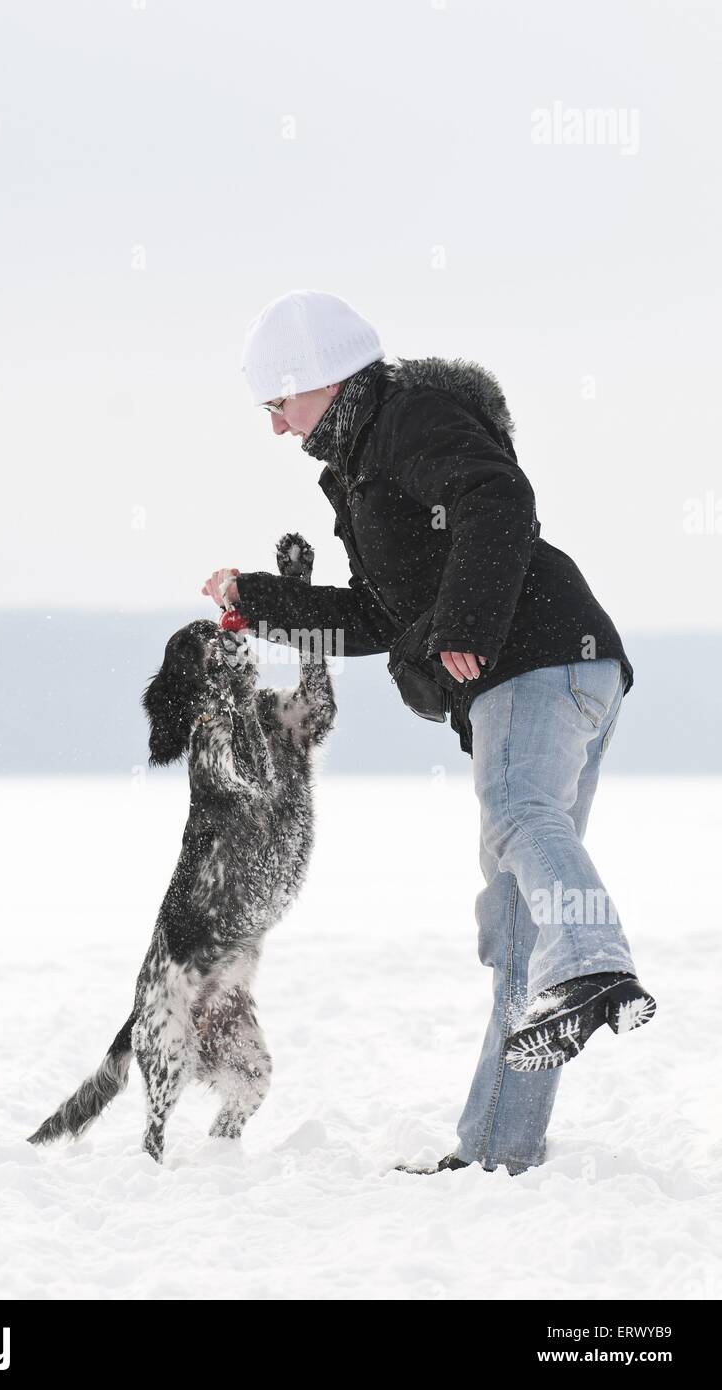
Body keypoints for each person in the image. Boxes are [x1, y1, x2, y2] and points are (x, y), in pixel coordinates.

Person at [201, 289, 656, 1177]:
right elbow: (376, 616)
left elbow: (498, 497)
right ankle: (497, 1152)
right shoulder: (365, 467)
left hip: (535, 657)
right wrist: (258, 603)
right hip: (560, 662)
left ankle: (597, 962)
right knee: (520, 924)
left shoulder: (409, 416)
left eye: (276, 404)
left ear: (319, 382)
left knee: (519, 813)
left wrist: (467, 627)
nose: (276, 428)